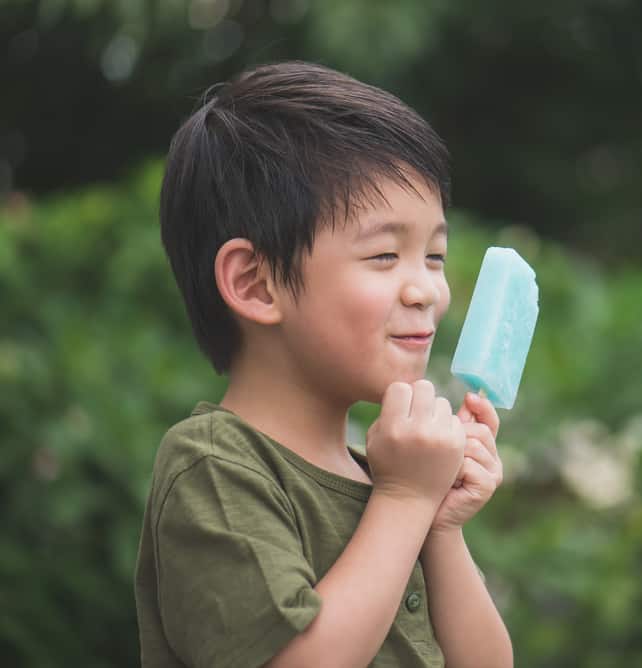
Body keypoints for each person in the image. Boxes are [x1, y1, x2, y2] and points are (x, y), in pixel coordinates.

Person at [133, 61, 513, 668]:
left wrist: (439, 523)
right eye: (386, 255)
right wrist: (407, 499)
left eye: (435, 256)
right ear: (256, 284)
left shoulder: (383, 477)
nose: (428, 292)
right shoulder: (215, 466)